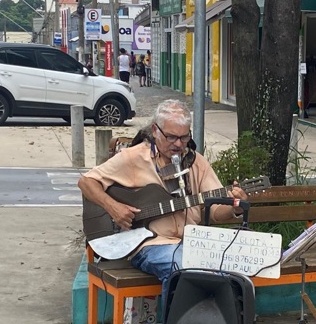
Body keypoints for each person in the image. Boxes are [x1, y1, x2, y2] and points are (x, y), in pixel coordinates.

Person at [78, 99, 248, 295]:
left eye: (184, 138)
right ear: (155, 130)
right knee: (182, 268)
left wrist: (235, 206)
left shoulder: (196, 162)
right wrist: (113, 207)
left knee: (229, 270)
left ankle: (215, 323)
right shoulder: (133, 158)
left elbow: (216, 211)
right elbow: (86, 182)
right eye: (171, 137)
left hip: (191, 244)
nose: (178, 144)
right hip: (149, 245)